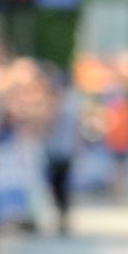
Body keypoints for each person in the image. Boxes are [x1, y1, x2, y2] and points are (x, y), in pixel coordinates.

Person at [43, 65, 80, 235]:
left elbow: (49, 124)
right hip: (60, 150)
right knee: (59, 186)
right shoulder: (71, 104)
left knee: (59, 186)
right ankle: (62, 217)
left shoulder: (63, 105)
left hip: (59, 151)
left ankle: (62, 218)